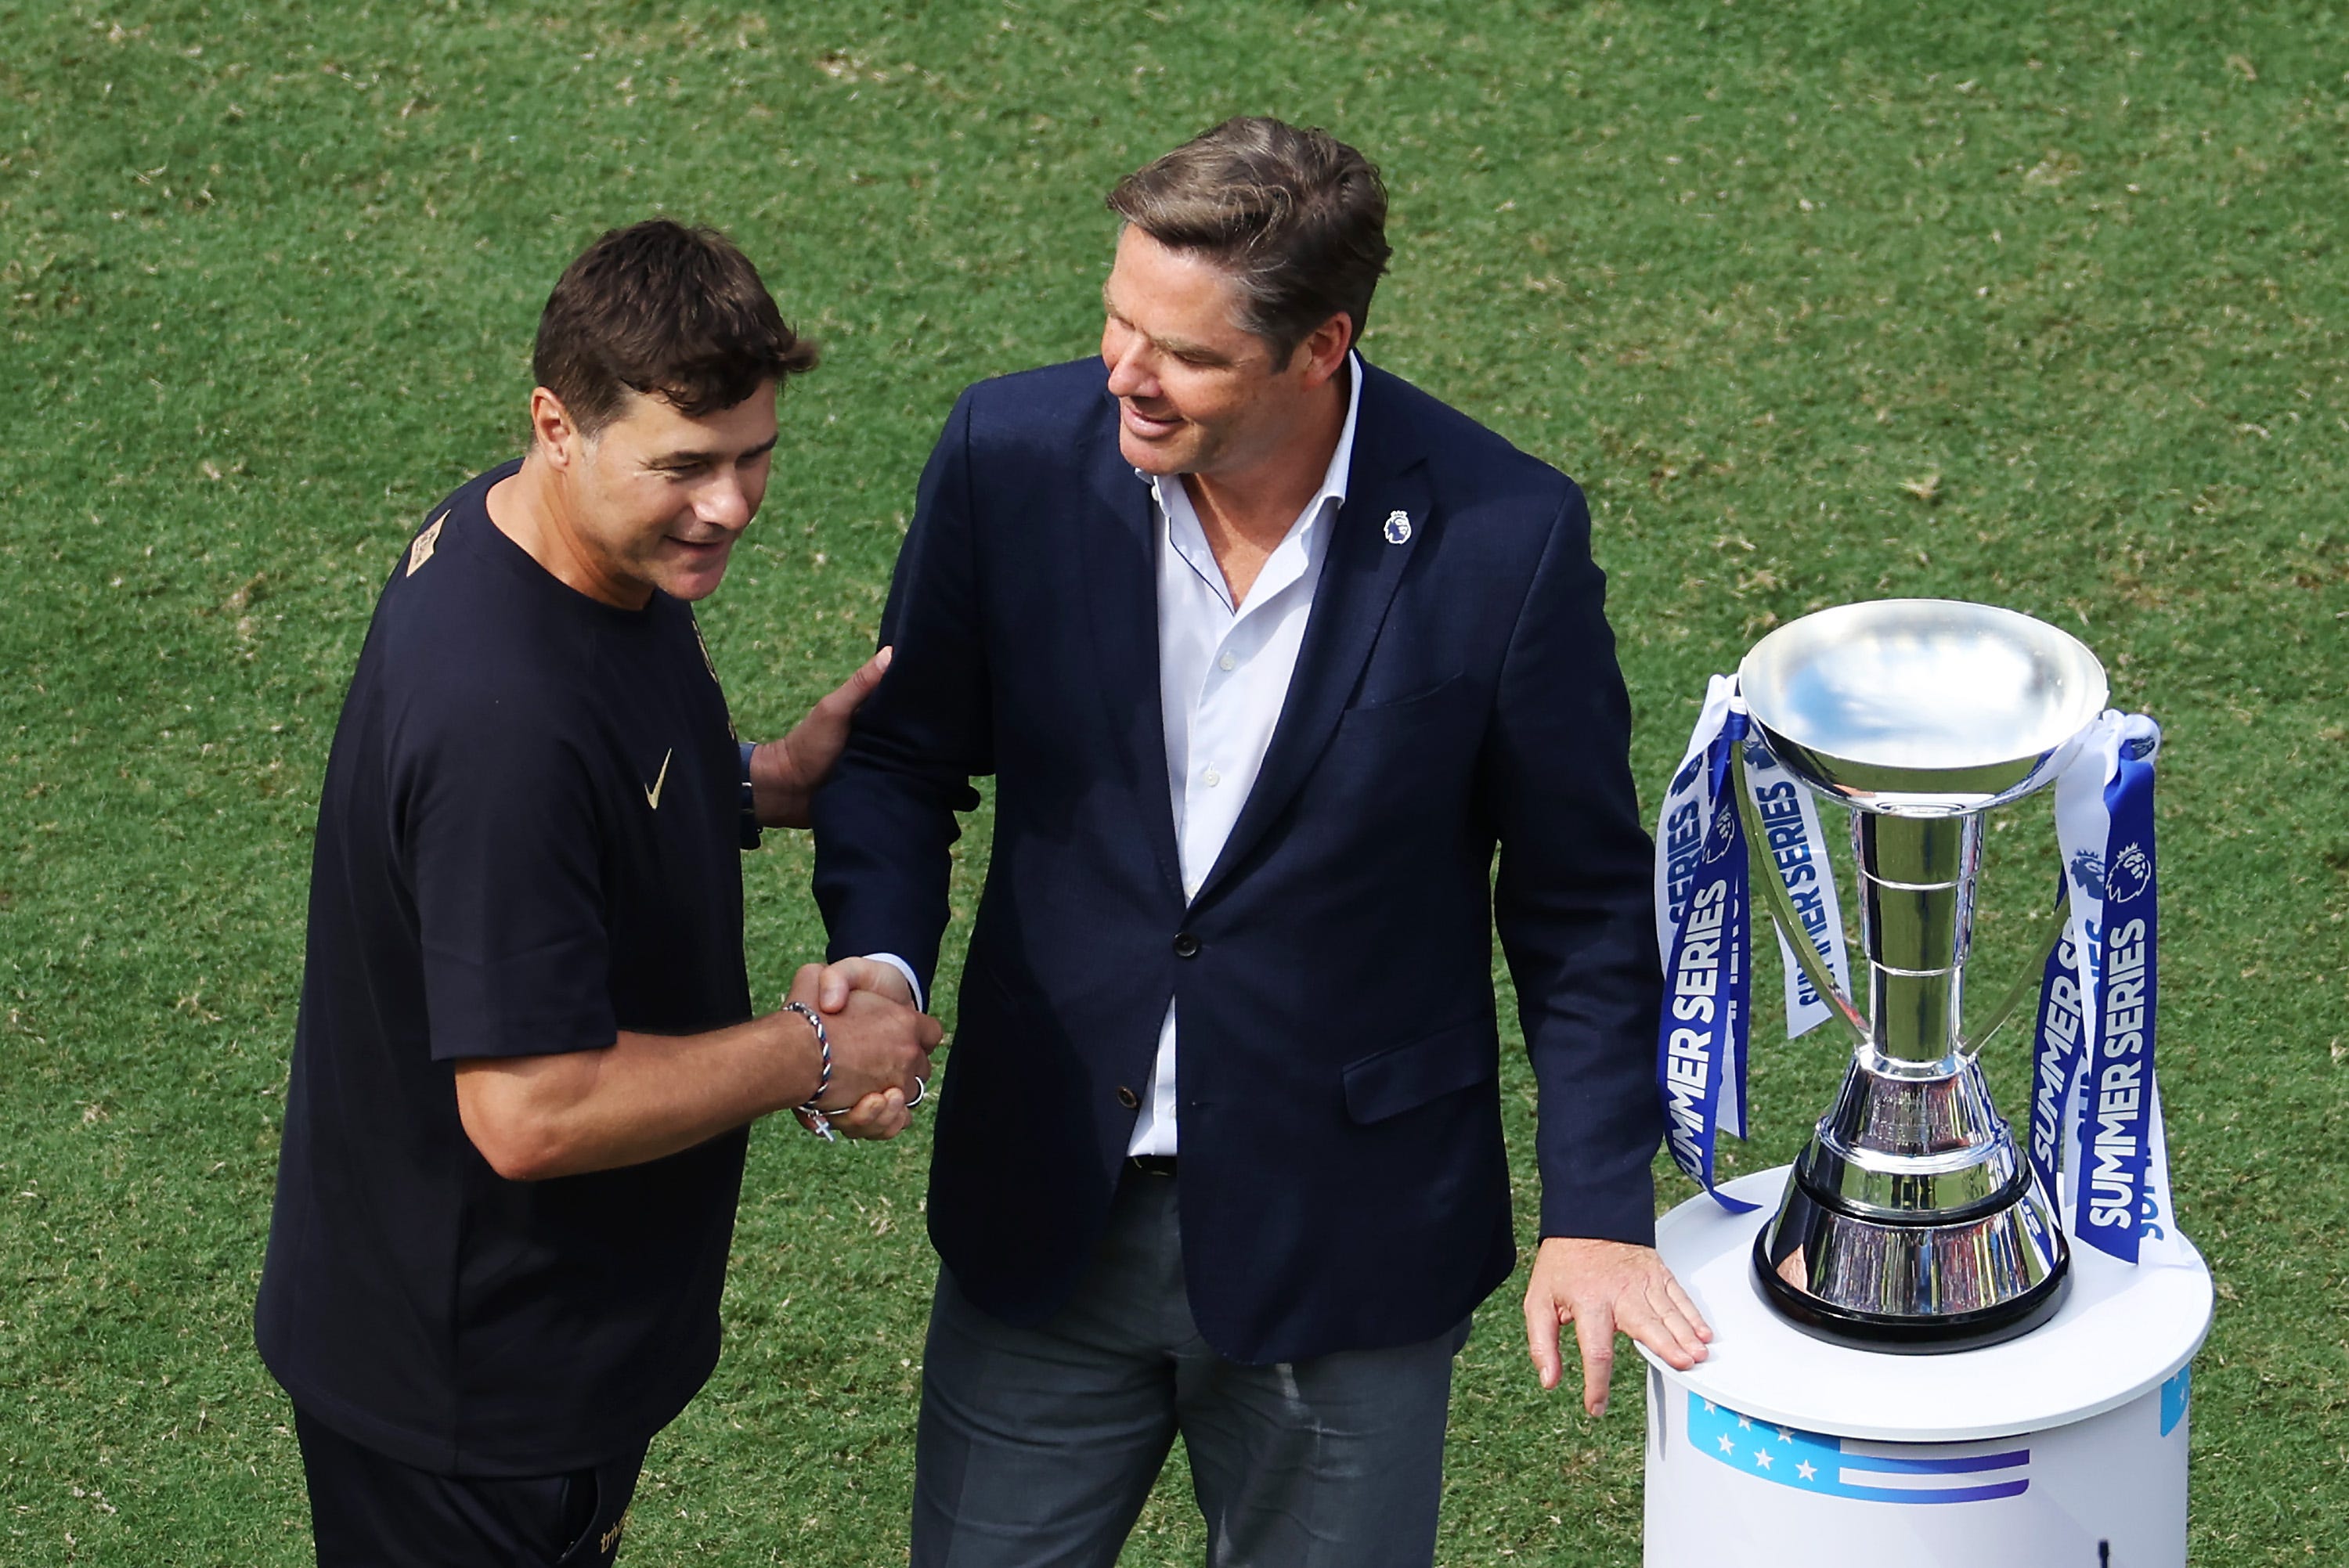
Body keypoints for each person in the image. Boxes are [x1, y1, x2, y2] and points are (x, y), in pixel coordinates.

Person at [811, 118, 1709, 1568]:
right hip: (1047, 1213)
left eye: (1183, 353)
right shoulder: (1008, 455)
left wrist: (1600, 1208)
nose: (1123, 371)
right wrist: (884, 965)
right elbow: (902, 755)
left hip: (1351, 1247)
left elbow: (1580, 899)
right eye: (1118, 320)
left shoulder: (1506, 534)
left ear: (1320, 348)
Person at [254, 218, 941, 1568]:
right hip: (475, 1398)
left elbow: (600, 788)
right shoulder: (502, 721)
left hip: (503, 1345)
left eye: (753, 456)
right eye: (684, 467)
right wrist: (816, 1051)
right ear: (555, 427)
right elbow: (531, 1111)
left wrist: (761, 780)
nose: (729, 506)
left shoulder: (551, 544)